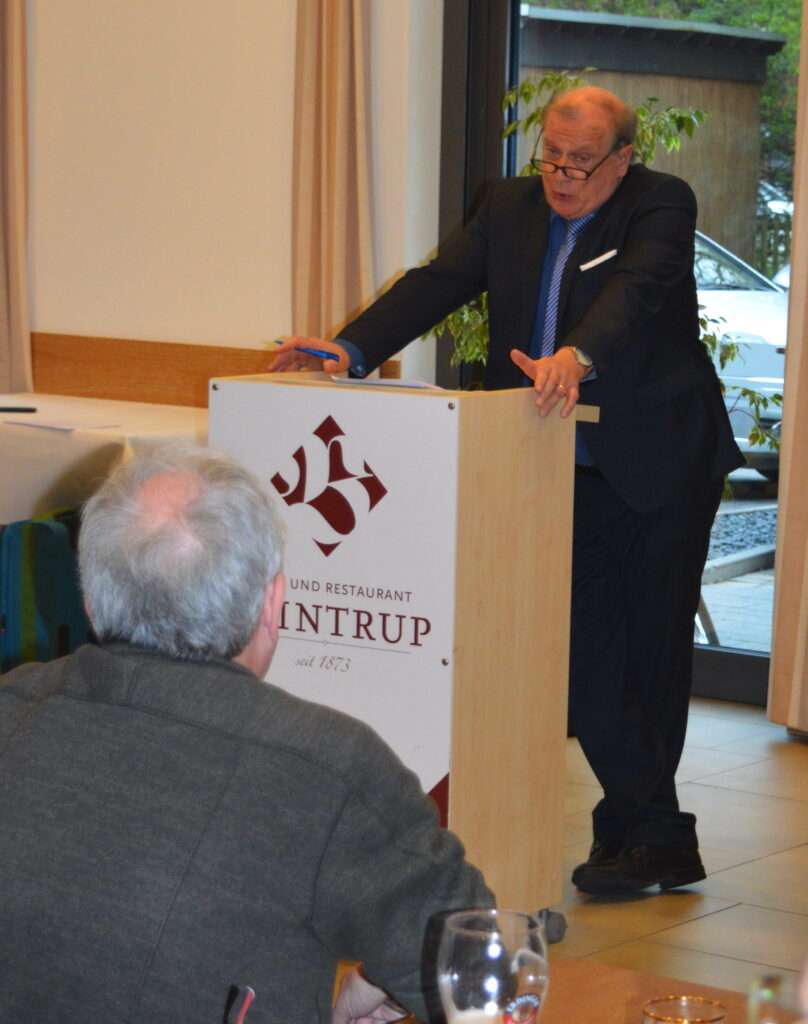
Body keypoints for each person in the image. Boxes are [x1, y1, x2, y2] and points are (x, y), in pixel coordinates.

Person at [274, 86, 743, 895]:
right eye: (550, 156)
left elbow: (635, 293)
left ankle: (638, 833)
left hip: (659, 461)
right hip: (549, 464)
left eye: (580, 162)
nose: (561, 175)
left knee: (651, 650)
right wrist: (350, 349)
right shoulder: (508, 206)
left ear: (622, 158)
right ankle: (654, 832)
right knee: (582, 647)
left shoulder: (660, 203)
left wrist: (575, 356)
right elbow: (437, 282)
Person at [0, 445, 493, 1023]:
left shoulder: (13, 707)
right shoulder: (328, 766)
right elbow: (480, 971)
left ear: (89, 601)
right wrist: (380, 980)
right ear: (273, 602)